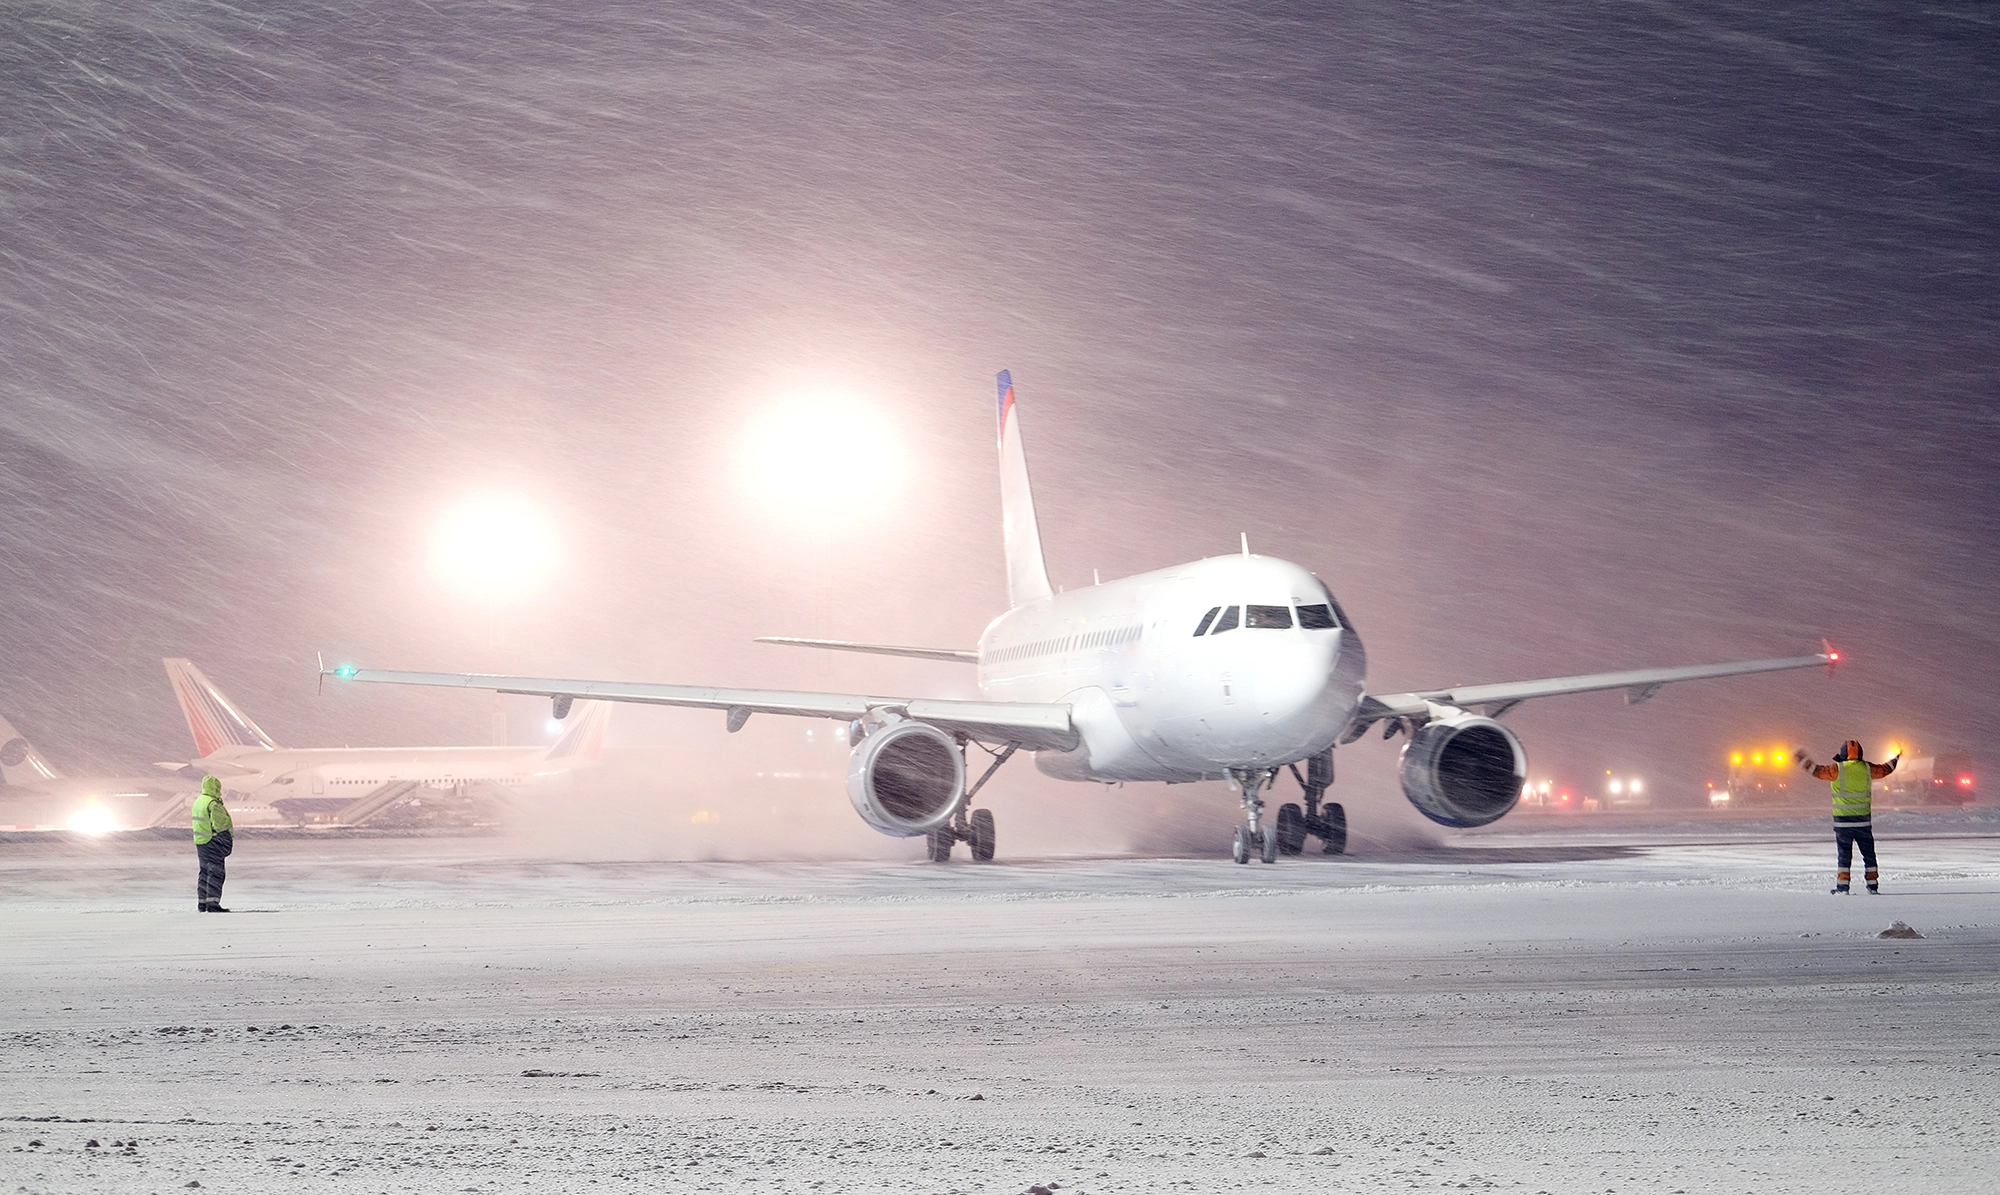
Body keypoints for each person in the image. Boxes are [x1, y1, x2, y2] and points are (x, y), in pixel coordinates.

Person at [1794, 740, 1898, 894]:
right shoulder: (1867, 768)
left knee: (1844, 856)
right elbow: (1886, 769)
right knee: (1869, 855)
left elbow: (1815, 770)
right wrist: (1897, 757)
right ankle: (1872, 886)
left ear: (1843, 754)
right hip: (1863, 822)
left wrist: (1800, 758)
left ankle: (1843, 887)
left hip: (1843, 823)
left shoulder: (1836, 769)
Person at [192, 775, 234, 912]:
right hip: (213, 841)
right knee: (216, 873)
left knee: (204, 872)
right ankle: (213, 904)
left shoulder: (199, 802)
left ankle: (202, 903)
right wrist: (226, 840)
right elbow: (221, 825)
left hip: (201, 843)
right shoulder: (213, 803)